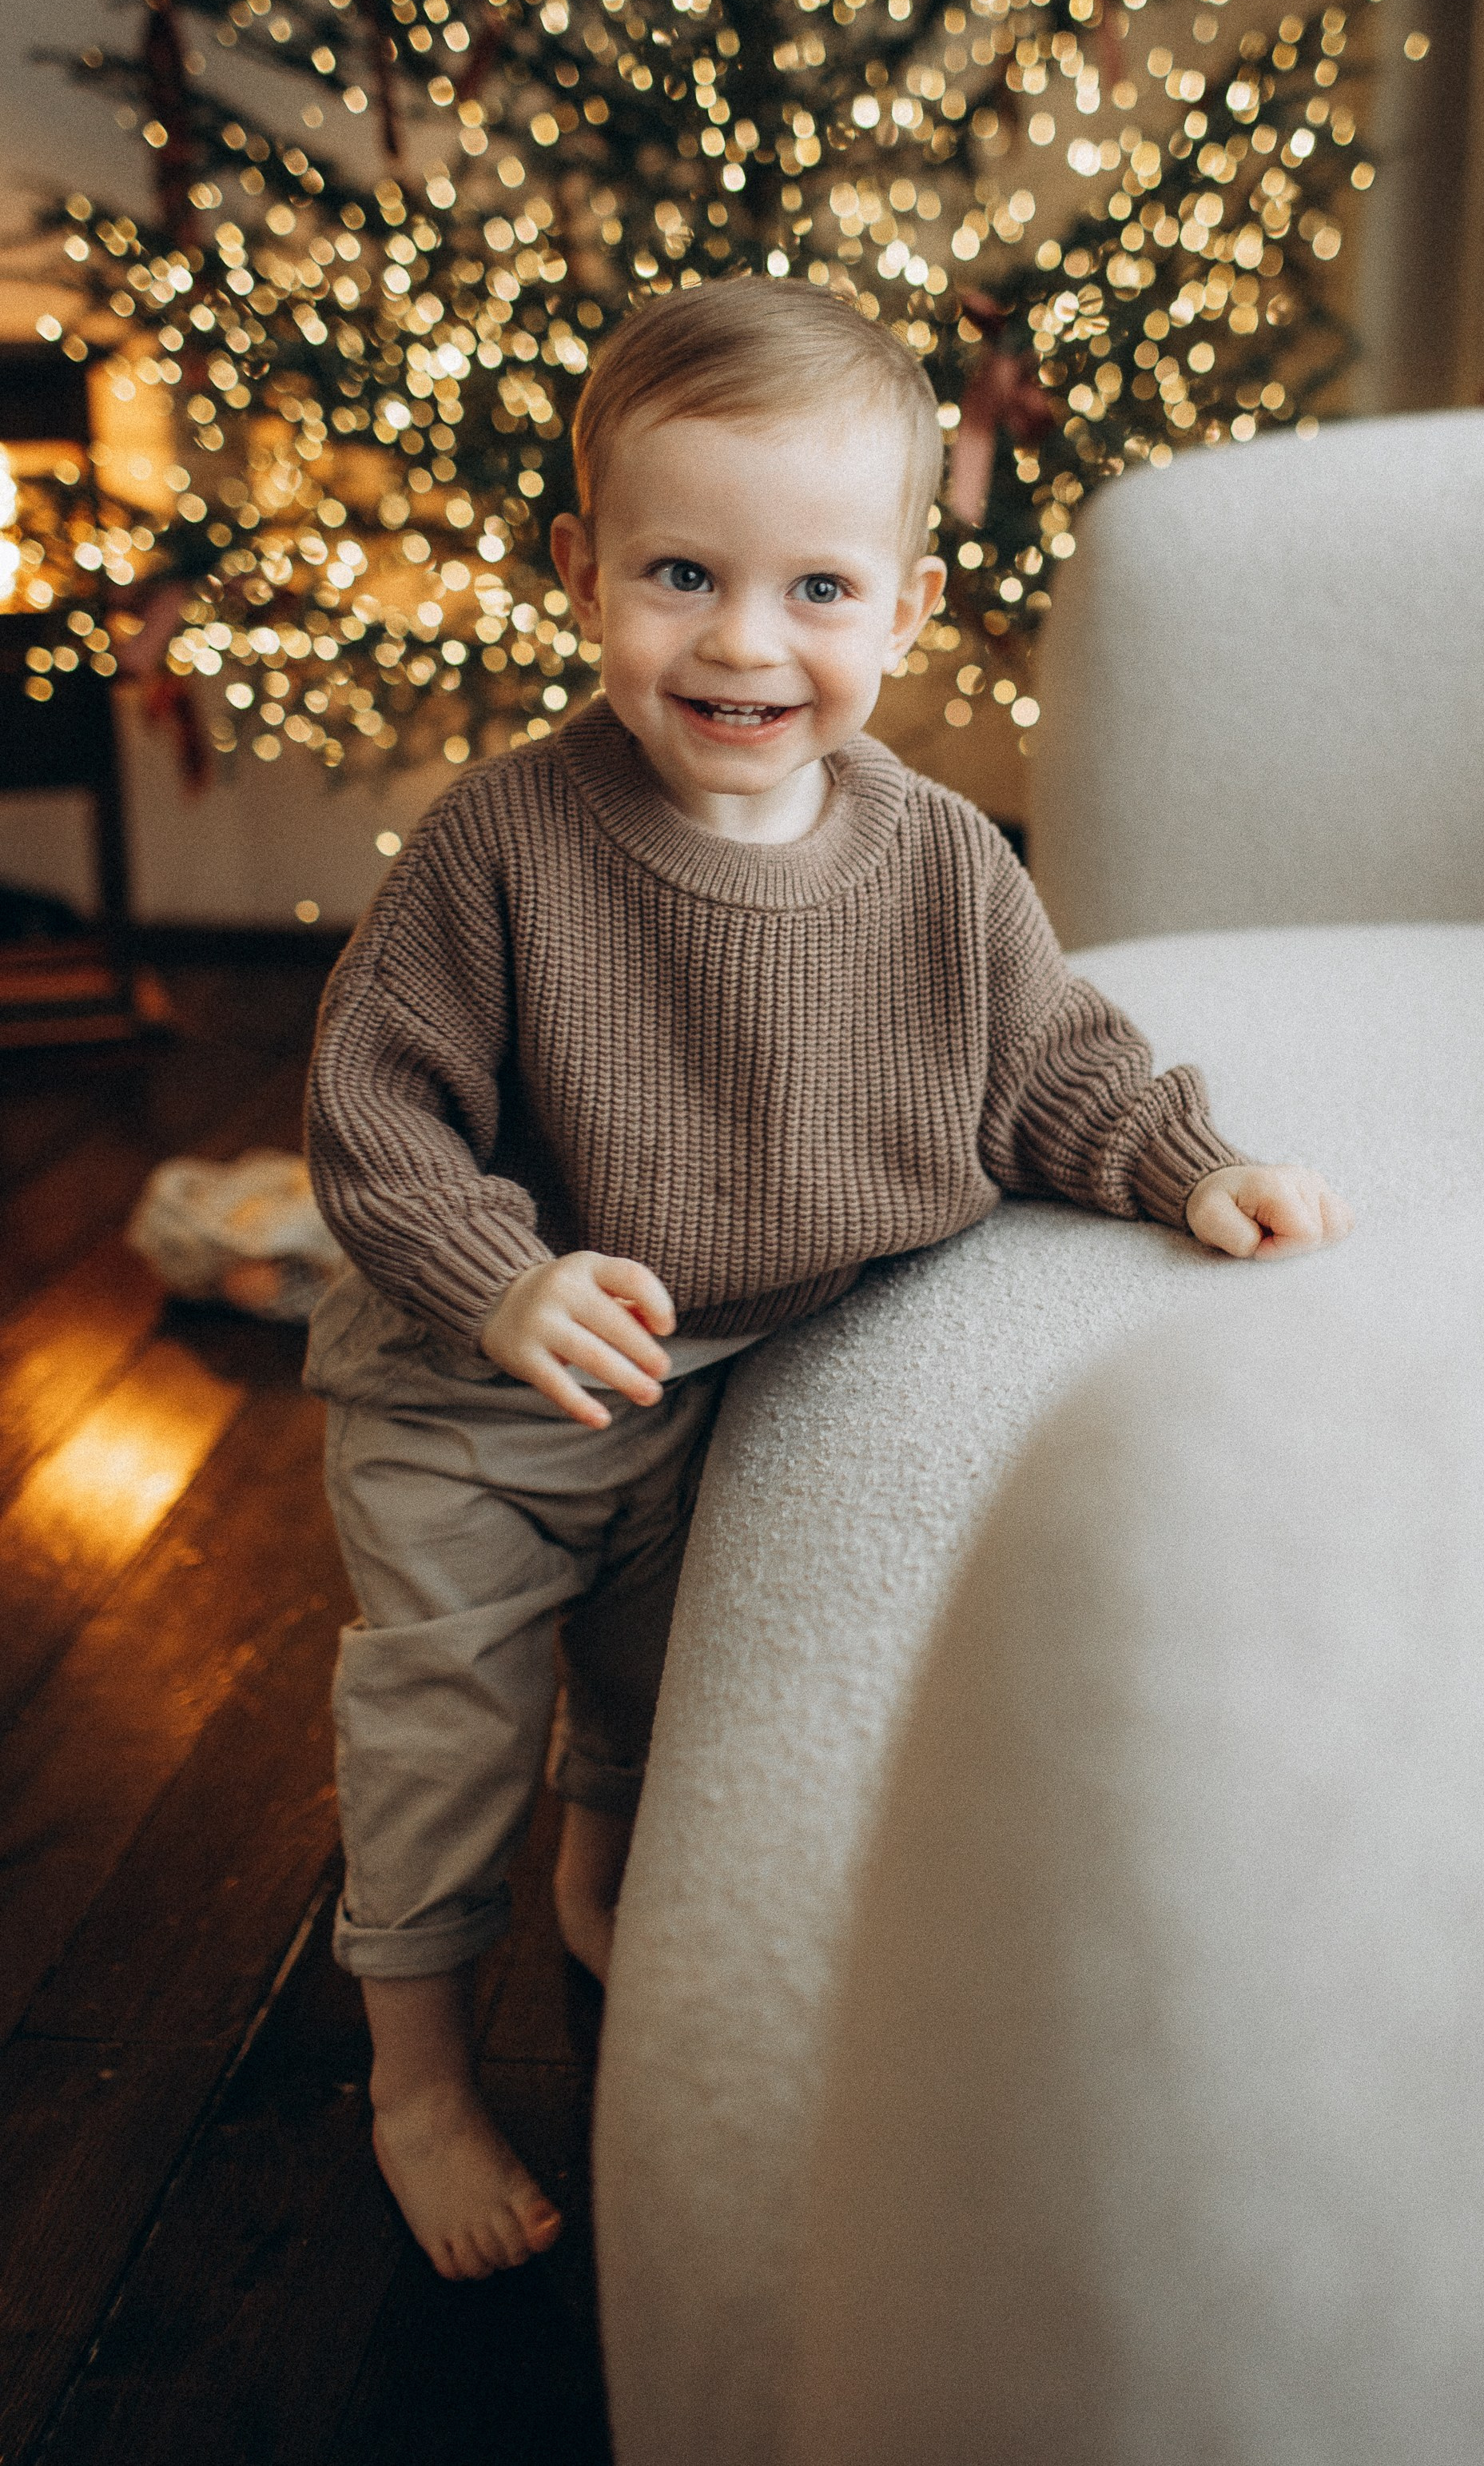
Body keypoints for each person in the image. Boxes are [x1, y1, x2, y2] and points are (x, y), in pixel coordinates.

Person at [302, 277, 1353, 2281]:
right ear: (579, 569)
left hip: (719, 1381)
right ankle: (416, 2071)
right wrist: (499, 1281)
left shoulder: (942, 862)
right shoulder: (505, 843)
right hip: (476, 1395)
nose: (741, 643)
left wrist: (1192, 1169)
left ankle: (600, 1882)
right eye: (681, 572)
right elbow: (370, 1110)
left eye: (813, 589)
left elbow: (1051, 1066)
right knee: (446, 1727)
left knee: (645, 1692)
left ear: (904, 610)